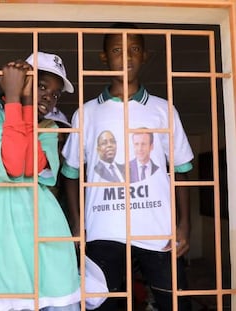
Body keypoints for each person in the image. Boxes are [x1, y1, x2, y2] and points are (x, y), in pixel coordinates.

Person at [61, 23, 194, 311]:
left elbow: (182, 169)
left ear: (145, 55)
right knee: (102, 305)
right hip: (103, 229)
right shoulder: (86, 113)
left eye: (134, 49)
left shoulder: (163, 109)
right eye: (118, 50)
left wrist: (184, 224)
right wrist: (77, 221)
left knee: (176, 303)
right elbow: (70, 173)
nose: (127, 57)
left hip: (158, 232)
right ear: (104, 58)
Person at [0, 51, 80, 311]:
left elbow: (25, 164)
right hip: (7, 253)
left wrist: (23, 103)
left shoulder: (49, 129)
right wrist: (17, 99)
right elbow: (13, 163)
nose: (49, 98)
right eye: (41, 86)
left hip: (51, 248)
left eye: (55, 94)